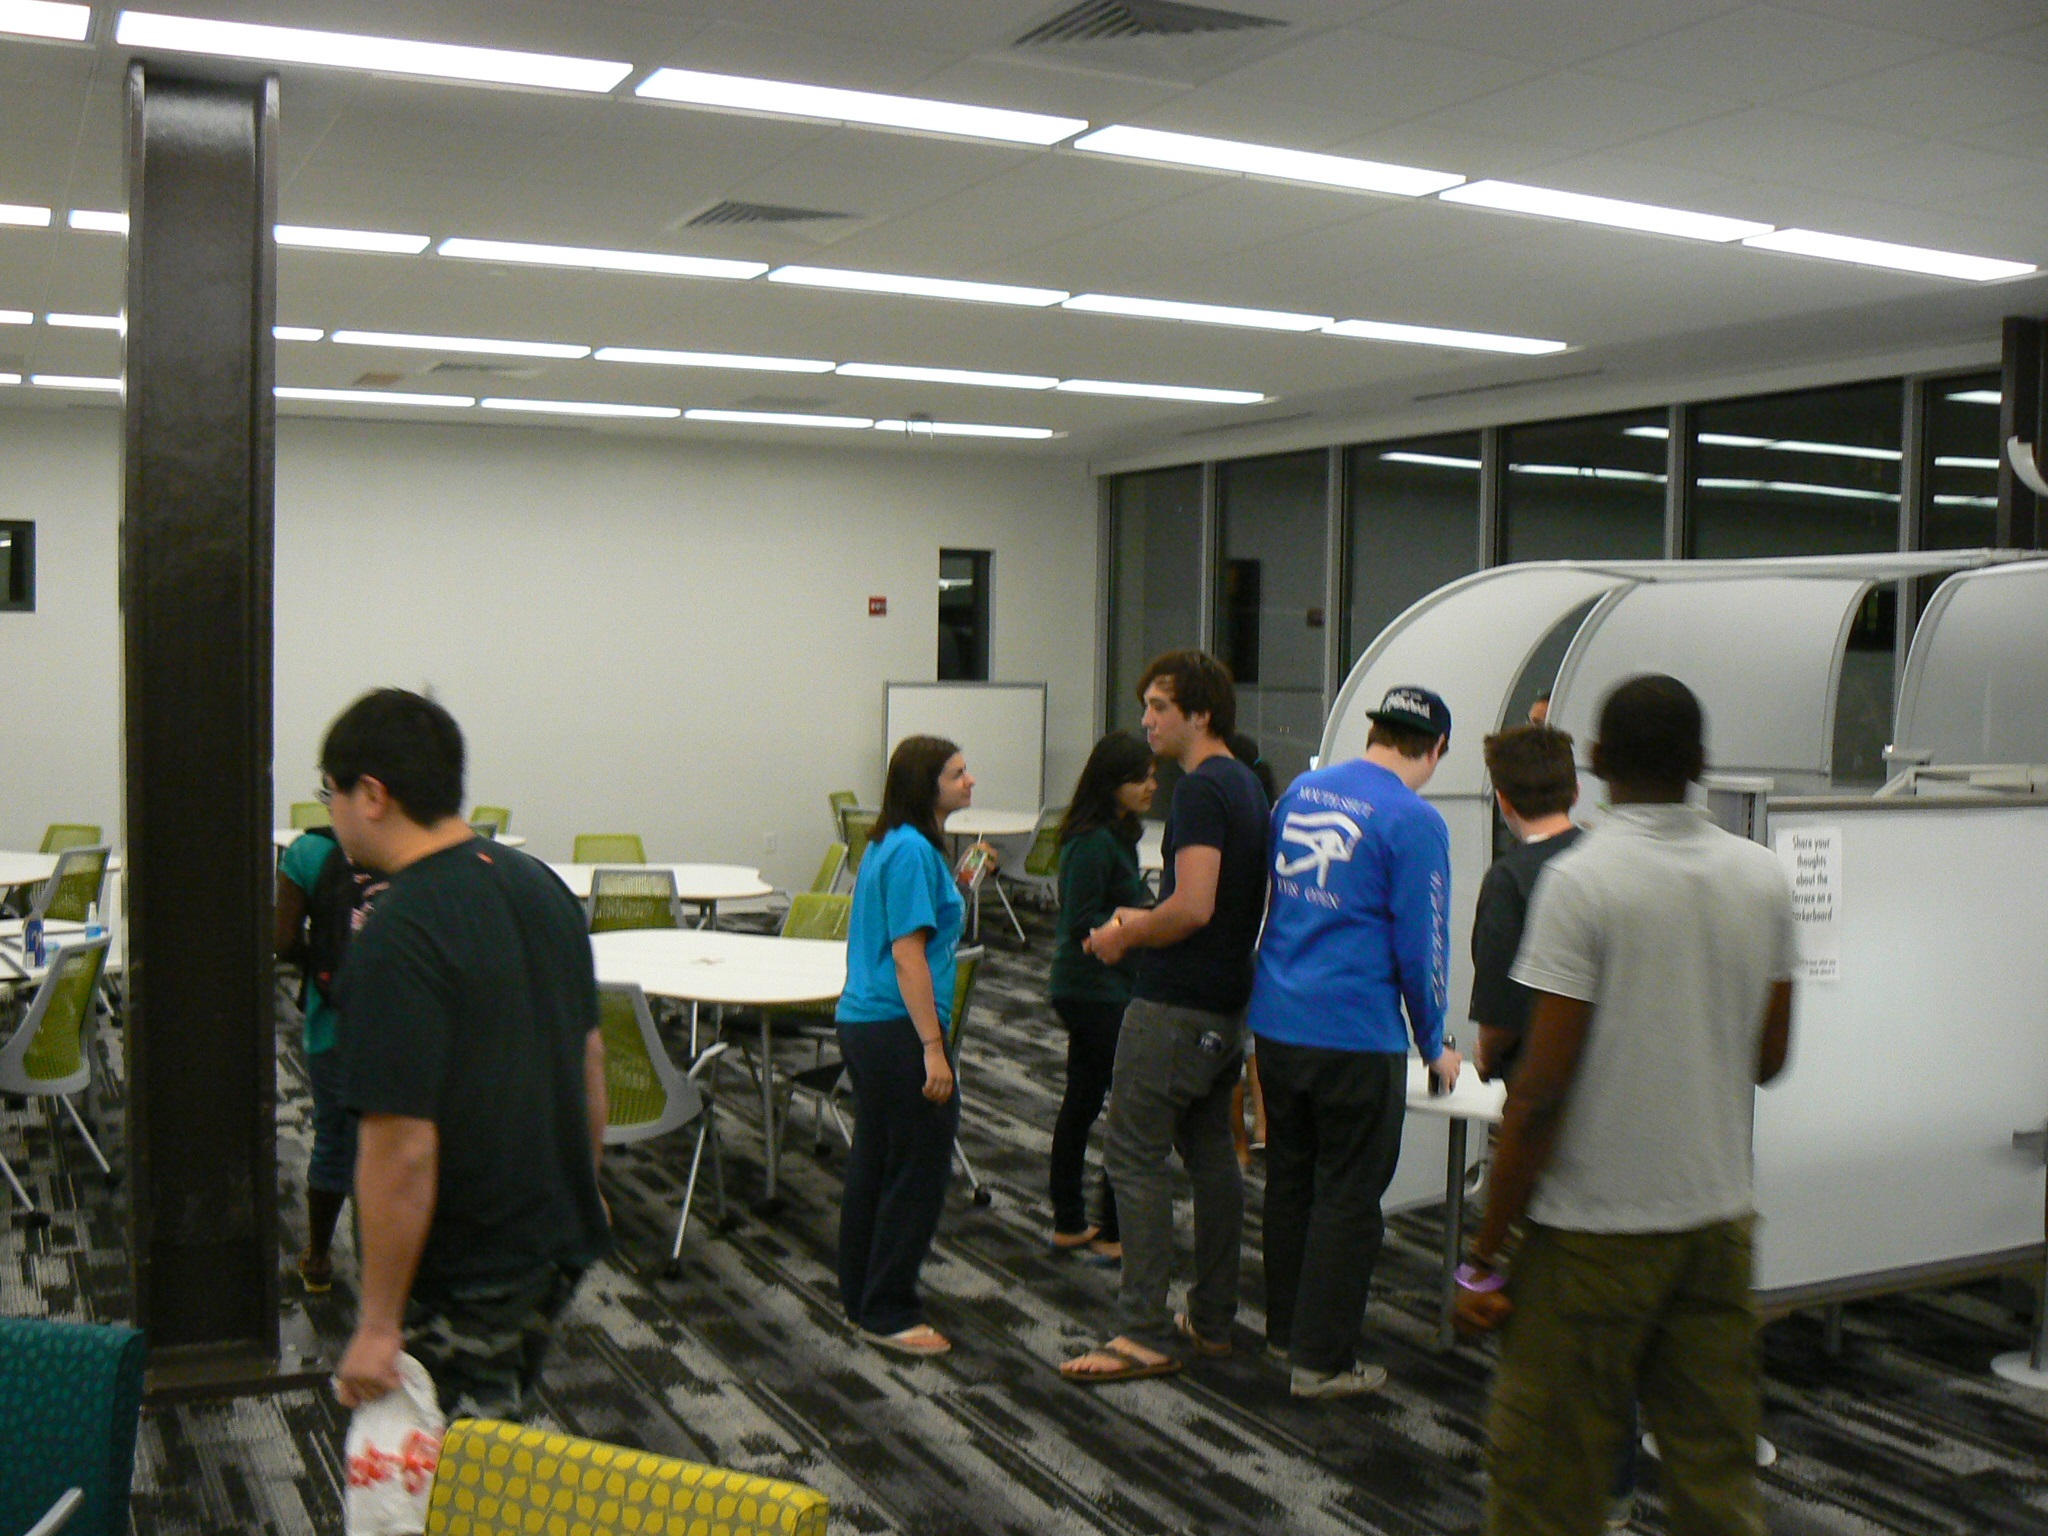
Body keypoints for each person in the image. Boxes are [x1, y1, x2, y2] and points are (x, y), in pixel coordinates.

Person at [1455, 675, 1796, 1536]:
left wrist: (1487, 1253)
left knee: (1543, 1486)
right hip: (1717, 1224)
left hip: (1592, 1237)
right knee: (1716, 1480)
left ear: (1596, 763)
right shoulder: (1762, 877)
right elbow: (1769, 1057)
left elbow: (1537, 1096)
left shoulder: (1584, 881)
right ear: (1700, 764)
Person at [326, 689, 610, 1420]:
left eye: (329, 793)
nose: (329, 813)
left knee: (448, 1478)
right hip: (553, 1238)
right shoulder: (539, 887)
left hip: (468, 1260)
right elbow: (589, 1063)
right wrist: (586, 1181)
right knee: (501, 1438)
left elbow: (402, 1148)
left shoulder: (397, 936)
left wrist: (379, 1322)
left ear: (372, 794)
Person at [1245, 685, 1464, 1399]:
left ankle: (1285, 1331)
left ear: (1371, 730)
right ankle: (1322, 1360)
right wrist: (1433, 1044)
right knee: (1348, 1196)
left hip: (1278, 1020)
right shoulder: (1414, 819)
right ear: (1435, 751)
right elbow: (1421, 945)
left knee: (1293, 1178)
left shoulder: (1302, 792)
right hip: (1354, 1034)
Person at [1061, 650, 1268, 1384]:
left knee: (1133, 1157)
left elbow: (1192, 907)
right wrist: (1143, 919)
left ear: (1199, 713)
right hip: (1221, 1001)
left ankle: (1143, 1331)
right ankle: (1210, 1320)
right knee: (1212, 1157)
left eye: (1158, 706)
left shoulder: (1203, 791)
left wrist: (1125, 933)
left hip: (1175, 1003)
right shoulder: (1243, 782)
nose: (1145, 720)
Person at [835, 734, 985, 1357]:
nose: (970, 780)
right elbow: (908, 955)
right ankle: (890, 1309)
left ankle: (863, 1296)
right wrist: (933, 1047)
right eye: (957, 773)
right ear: (928, 787)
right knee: (918, 1166)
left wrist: (967, 879)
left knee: (877, 1160)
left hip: (872, 1022)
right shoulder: (909, 853)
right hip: (897, 1026)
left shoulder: (900, 845)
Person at [1046, 731, 1156, 1262]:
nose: (1152, 786)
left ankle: (1072, 1222)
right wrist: (1137, 921)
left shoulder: (1117, 834)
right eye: (1142, 778)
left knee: (1086, 1101)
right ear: (1113, 784)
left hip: (1105, 987)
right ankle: (1112, 1229)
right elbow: (1079, 922)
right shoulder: (1091, 841)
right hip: (1093, 989)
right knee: (1122, 1105)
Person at [275, 824, 388, 1293]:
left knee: (333, 1138)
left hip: (333, 1023)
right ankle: (383, 1274)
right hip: (402, 1021)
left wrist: (322, 959)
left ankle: (319, 1258)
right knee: (389, 1145)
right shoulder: (412, 841)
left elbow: (280, 940)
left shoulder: (309, 850)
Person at [1471, 724, 1583, 1083]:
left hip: (1538, 1083)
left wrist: (1485, 1057)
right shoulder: (1608, 863)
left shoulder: (1509, 880)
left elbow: (1499, 1014)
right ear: (1576, 793)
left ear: (1503, 800)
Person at [1227, 734, 1276, 1165]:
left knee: (1231, 1044)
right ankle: (1265, 1127)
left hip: (1234, 945)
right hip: (1268, 945)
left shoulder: (1229, 816)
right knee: (1256, 1042)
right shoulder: (1273, 818)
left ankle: (1237, 1144)